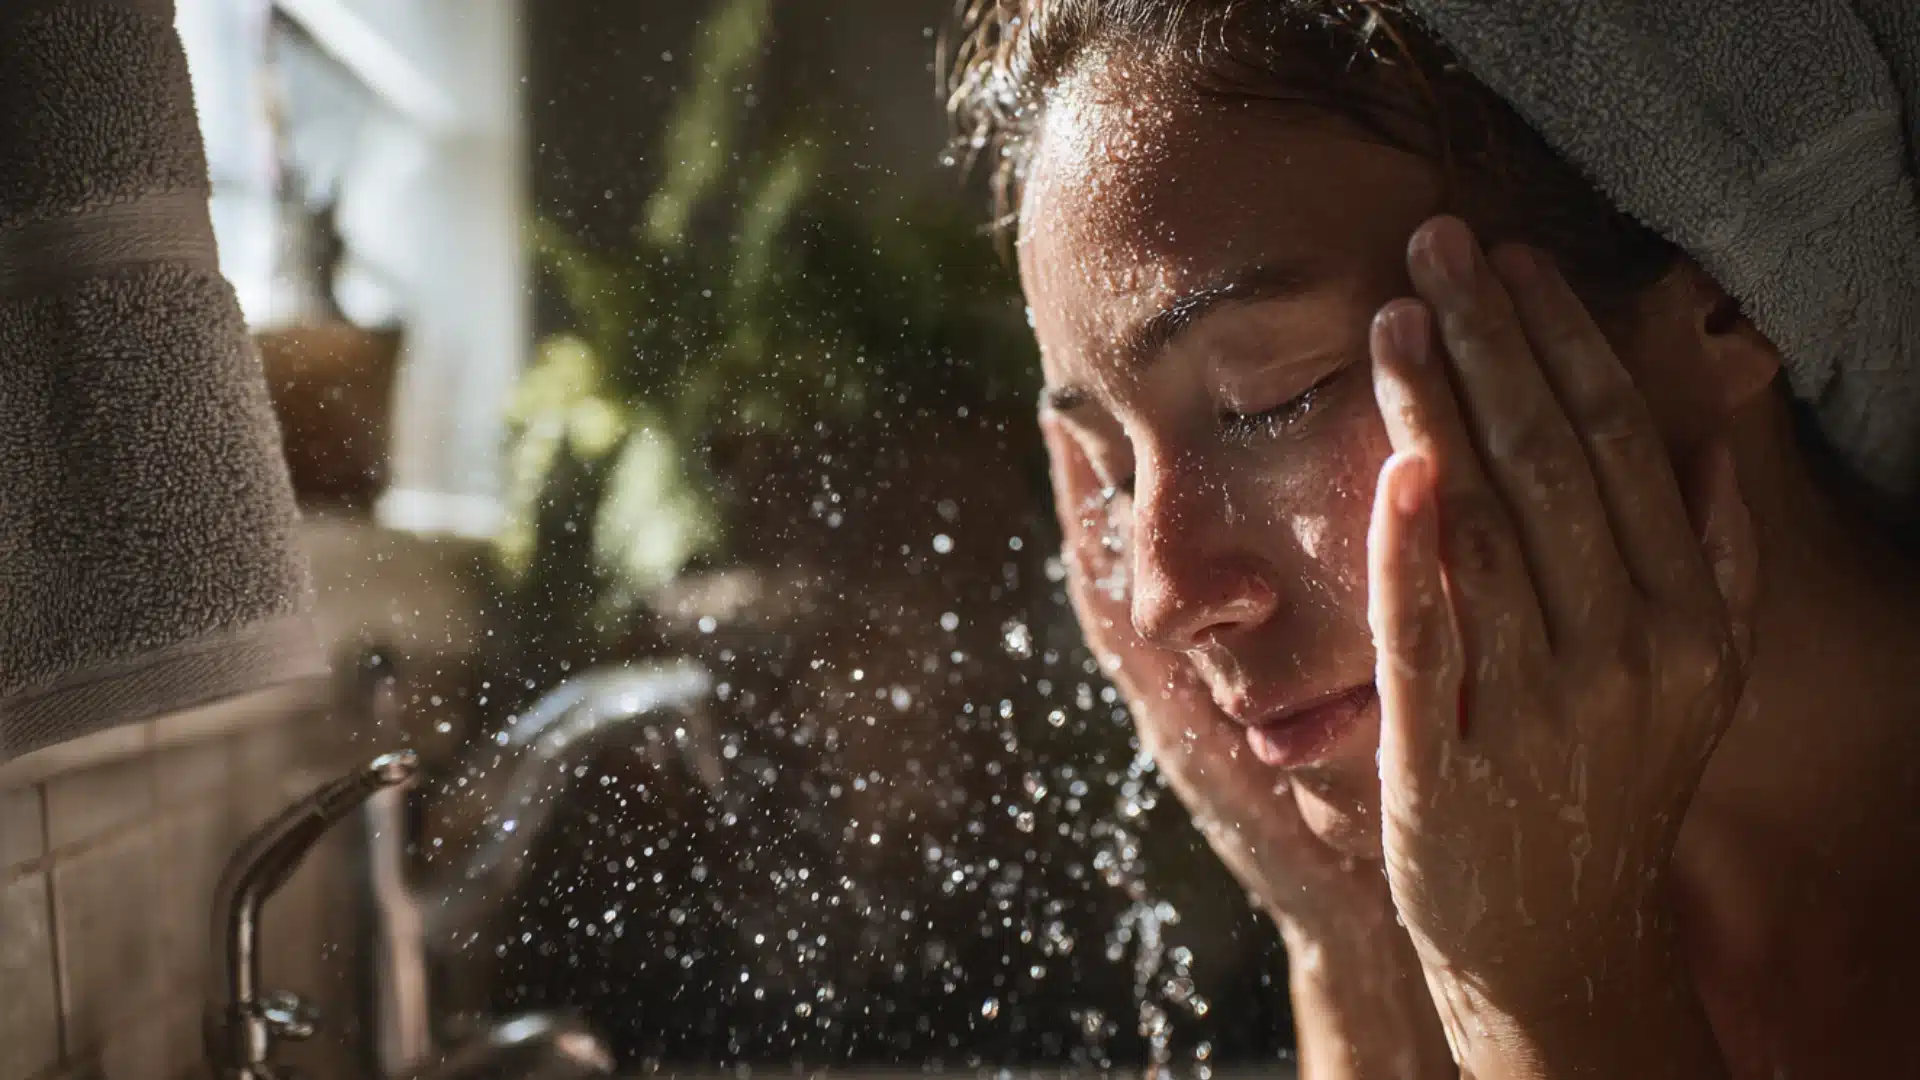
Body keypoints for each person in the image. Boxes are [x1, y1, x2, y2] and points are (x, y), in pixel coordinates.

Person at [948, 2, 1920, 1077]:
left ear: (1726, 304)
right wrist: (1350, 939)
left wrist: (1544, 990)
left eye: (1274, 398)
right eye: (1120, 472)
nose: (1162, 598)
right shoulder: (1481, 878)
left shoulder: (1529, 933)